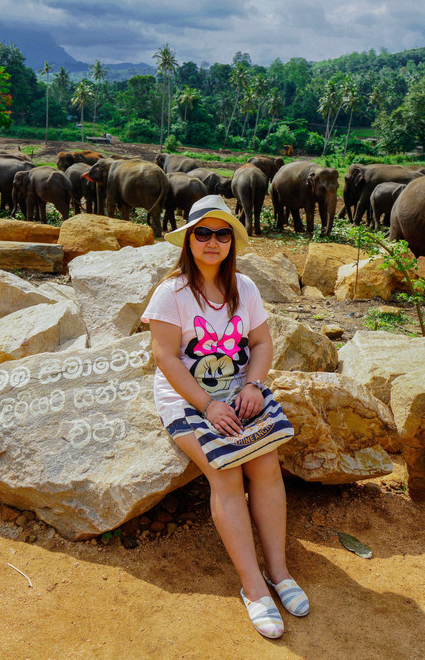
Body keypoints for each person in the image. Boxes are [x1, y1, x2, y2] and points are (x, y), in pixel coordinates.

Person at [141, 194, 308, 639]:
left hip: (240, 393)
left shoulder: (246, 289)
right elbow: (167, 358)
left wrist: (253, 384)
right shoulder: (171, 292)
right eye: (203, 233)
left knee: (267, 465)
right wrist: (206, 404)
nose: (212, 242)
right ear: (189, 240)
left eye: (222, 234)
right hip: (189, 399)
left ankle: (278, 570)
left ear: (232, 242)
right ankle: (253, 588)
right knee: (228, 472)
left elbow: (262, 345)